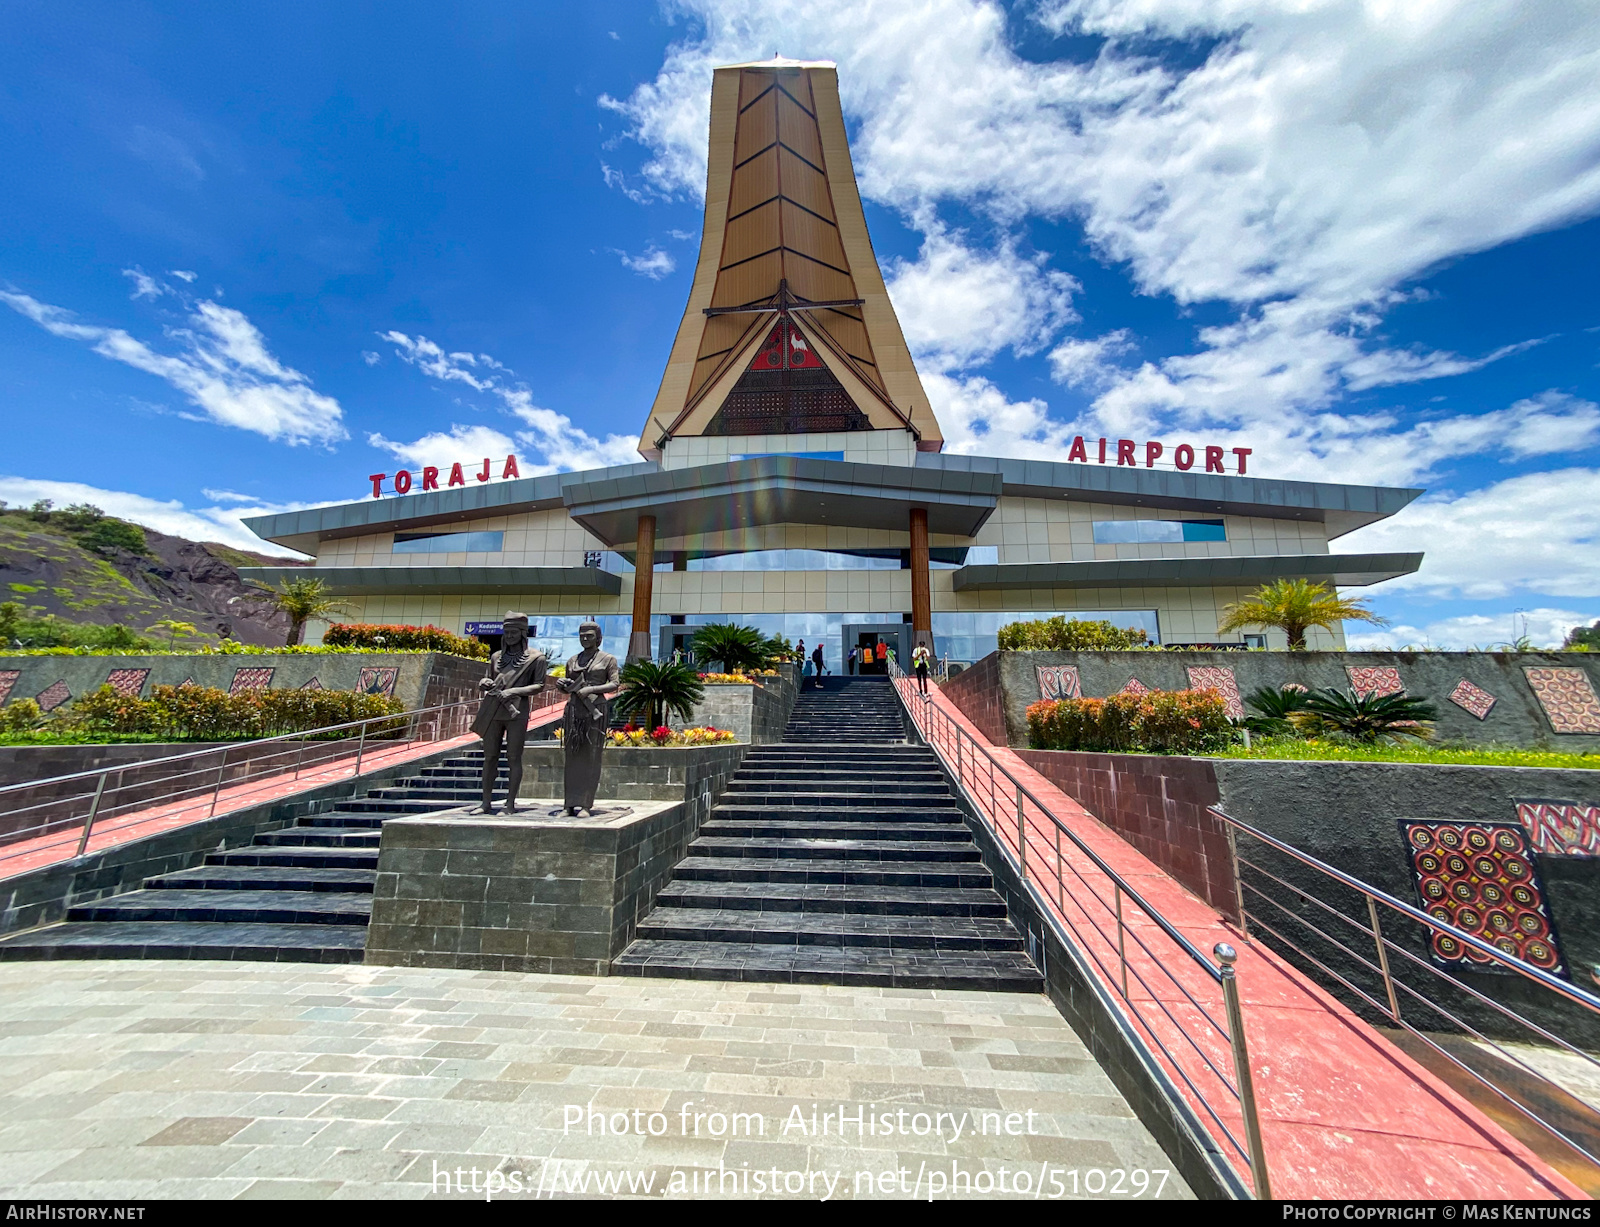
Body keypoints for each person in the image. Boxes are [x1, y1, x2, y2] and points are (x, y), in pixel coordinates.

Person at [471, 611, 548, 814]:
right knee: (490, 757)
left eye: (514, 632)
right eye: (507, 632)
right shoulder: (496, 656)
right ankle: (485, 802)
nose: (510, 636)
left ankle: (510, 802)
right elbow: (487, 679)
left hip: (516, 713)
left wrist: (513, 692)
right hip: (493, 712)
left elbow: (539, 685)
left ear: (523, 633)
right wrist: (484, 683)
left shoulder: (536, 658)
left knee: (513, 757)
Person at [556, 621, 620, 815]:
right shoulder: (573, 660)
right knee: (572, 756)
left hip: (595, 711)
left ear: (598, 638)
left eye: (589, 635)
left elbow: (615, 683)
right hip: (574, 710)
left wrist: (592, 689)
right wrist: (562, 684)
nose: (585, 638)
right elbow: (568, 686)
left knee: (591, 756)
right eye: (582, 635)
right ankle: (569, 804)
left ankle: (585, 804)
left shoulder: (608, 659)